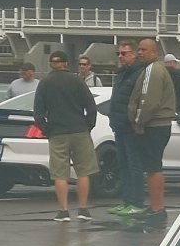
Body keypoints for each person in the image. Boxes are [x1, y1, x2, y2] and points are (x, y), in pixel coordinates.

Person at [33, 51, 99, 222]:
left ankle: (63, 211)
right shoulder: (77, 81)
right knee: (83, 172)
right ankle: (83, 209)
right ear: (67, 64)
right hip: (79, 131)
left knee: (60, 174)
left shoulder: (45, 83)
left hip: (57, 133)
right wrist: (88, 126)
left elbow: (38, 113)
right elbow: (91, 107)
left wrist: (47, 130)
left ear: (50, 64)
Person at [129, 37, 179, 230]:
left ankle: (158, 209)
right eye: (139, 49)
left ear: (154, 52)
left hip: (154, 125)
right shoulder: (155, 70)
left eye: (143, 49)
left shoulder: (153, 70)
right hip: (158, 124)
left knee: (153, 168)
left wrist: (138, 122)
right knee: (152, 168)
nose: (140, 52)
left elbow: (147, 102)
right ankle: (156, 207)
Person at [106, 41, 147, 219]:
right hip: (119, 126)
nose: (121, 57)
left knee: (134, 165)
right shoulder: (122, 74)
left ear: (133, 54)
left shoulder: (139, 73)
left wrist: (135, 121)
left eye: (124, 53)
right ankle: (127, 201)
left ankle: (137, 203)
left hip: (131, 127)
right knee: (123, 165)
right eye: (119, 54)